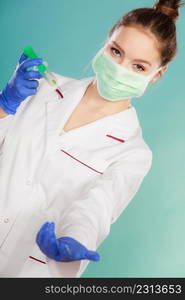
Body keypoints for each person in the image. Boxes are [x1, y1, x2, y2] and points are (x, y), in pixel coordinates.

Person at [0, 0, 184, 277]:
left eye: (139, 66)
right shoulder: (39, 90)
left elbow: (97, 208)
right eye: (116, 51)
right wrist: (4, 105)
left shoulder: (133, 153)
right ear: (105, 44)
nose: (120, 68)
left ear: (158, 74)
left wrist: (75, 239)